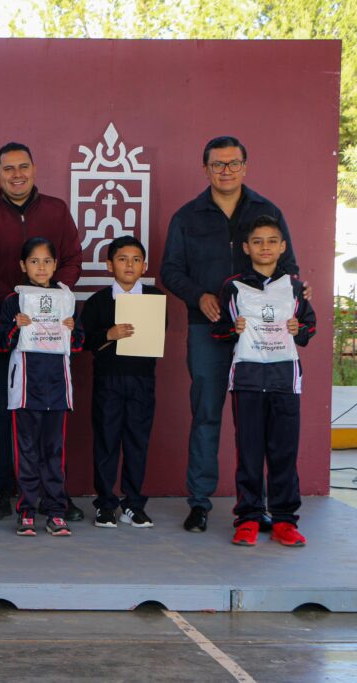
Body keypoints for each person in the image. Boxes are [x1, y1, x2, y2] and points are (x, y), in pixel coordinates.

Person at [161, 136, 302, 533]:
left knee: (262, 422)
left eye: (233, 163)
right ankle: (200, 502)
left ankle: (264, 509)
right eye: (218, 164)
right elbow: (170, 270)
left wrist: (297, 293)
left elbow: (288, 266)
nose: (226, 170)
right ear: (205, 168)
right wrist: (198, 295)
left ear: (245, 166)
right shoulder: (187, 216)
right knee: (206, 412)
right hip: (208, 329)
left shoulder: (266, 210)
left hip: (261, 334)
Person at [0, 142, 83, 523]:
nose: (17, 174)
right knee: (5, 412)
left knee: (50, 420)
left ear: (34, 169)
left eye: (23, 167)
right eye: (8, 169)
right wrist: (19, 300)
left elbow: (72, 258)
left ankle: (55, 497)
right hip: (7, 326)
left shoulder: (55, 210)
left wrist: (52, 297)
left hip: (51, 337)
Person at [211, 216, 315, 548]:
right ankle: (248, 518)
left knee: (284, 453)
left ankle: (285, 520)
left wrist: (301, 330)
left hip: (286, 381)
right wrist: (234, 329)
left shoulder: (295, 287)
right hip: (248, 381)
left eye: (272, 241)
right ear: (246, 247)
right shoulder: (233, 286)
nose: (265, 247)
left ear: (282, 246)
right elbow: (219, 330)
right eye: (257, 241)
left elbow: (309, 326)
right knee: (249, 452)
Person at [0, 237, 83, 537]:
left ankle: (56, 511)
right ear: (23, 265)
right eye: (34, 261)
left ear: (56, 265)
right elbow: (0, 343)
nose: (41, 266)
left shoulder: (66, 298)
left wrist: (72, 330)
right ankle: (27, 511)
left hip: (58, 389)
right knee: (27, 452)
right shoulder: (13, 301)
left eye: (47, 261)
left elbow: (81, 343)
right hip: (25, 388)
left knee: (55, 453)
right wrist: (15, 327)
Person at [79, 236, 163, 529]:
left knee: (137, 442)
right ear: (109, 264)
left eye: (136, 259)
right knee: (106, 441)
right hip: (108, 380)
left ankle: (134, 504)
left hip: (142, 380)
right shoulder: (98, 302)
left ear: (145, 265)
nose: (129, 265)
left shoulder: (154, 298)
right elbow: (85, 341)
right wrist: (108, 335)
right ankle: (105, 504)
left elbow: (156, 334)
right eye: (122, 259)